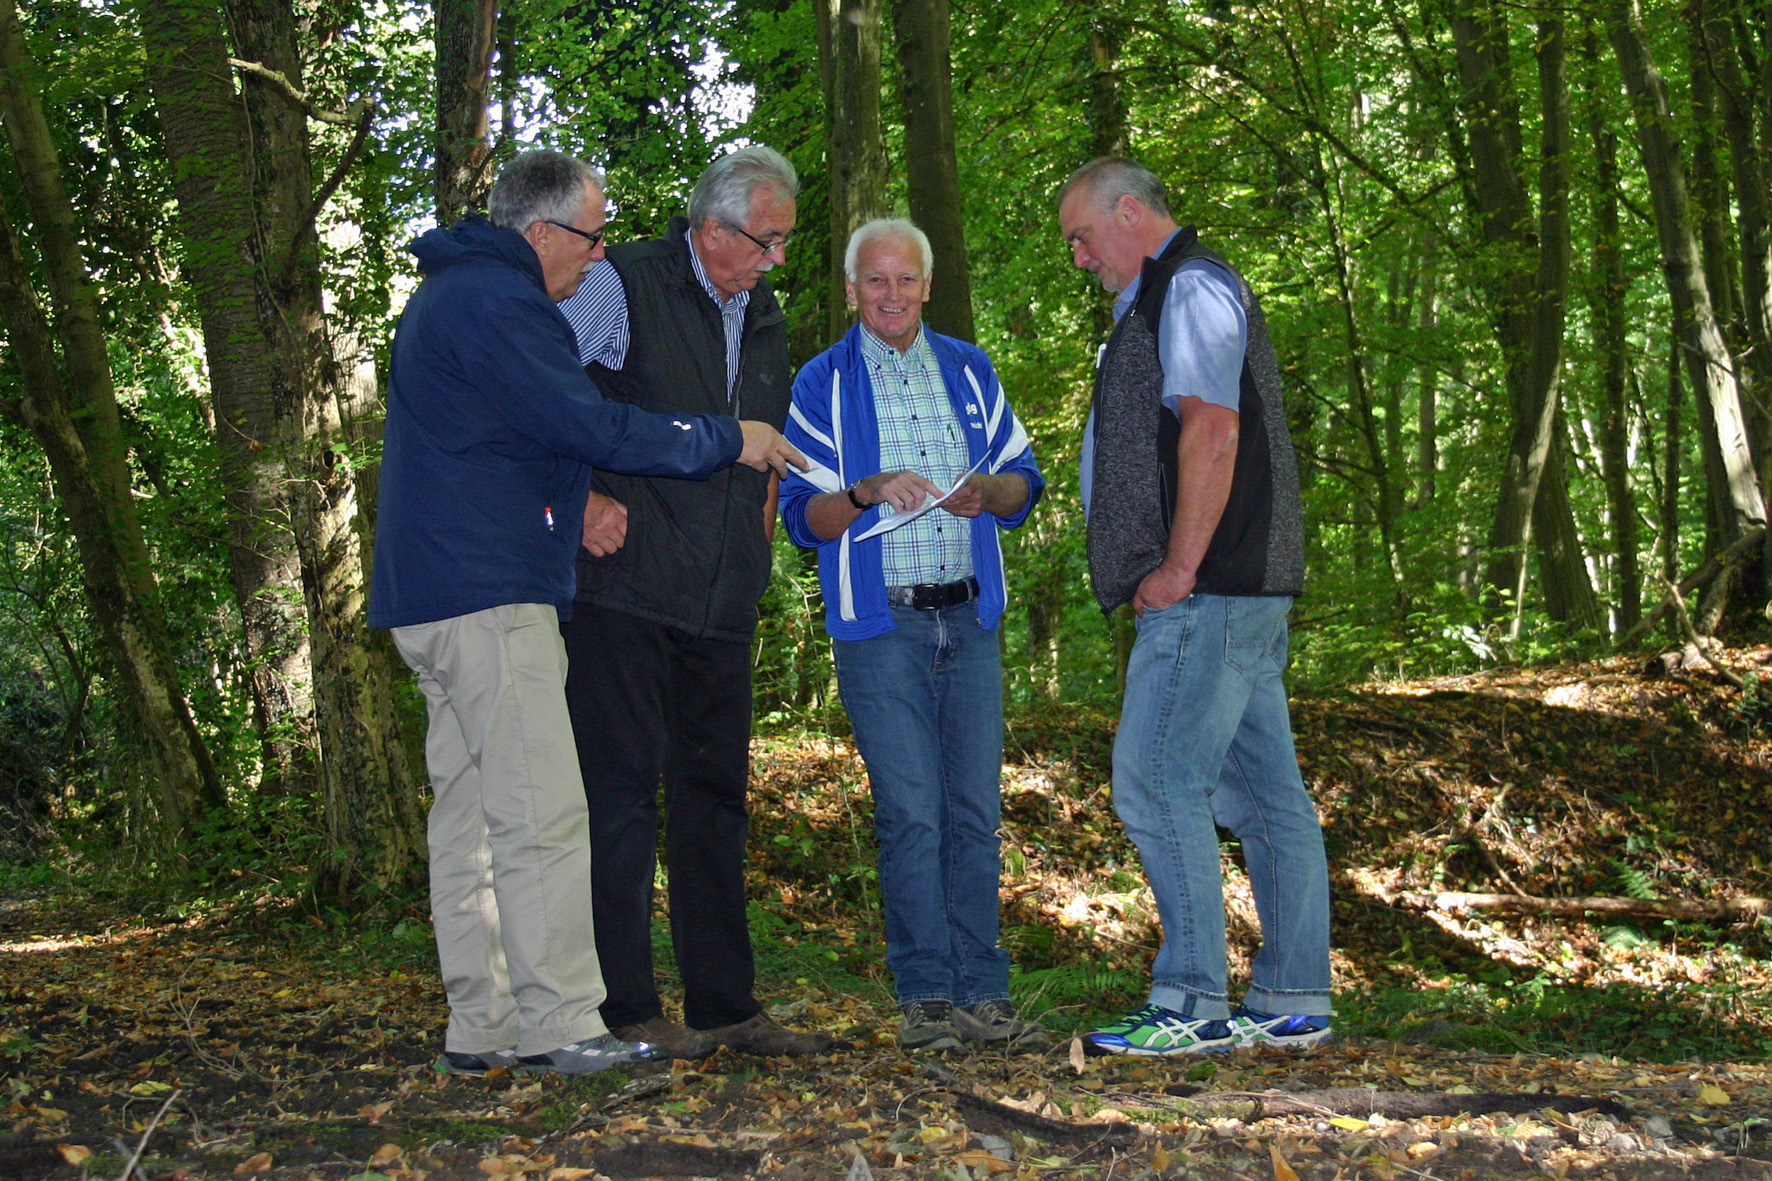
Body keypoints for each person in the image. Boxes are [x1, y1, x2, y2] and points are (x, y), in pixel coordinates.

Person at [367, 150, 804, 1077]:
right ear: (541, 233)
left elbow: (522, 434)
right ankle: (566, 1022)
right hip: (489, 588)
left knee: (473, 818)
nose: (599, 256)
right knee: (542, 813)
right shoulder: (501, 303)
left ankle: (481, 1027)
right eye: (590, 236)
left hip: (434, 592)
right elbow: (591, 423)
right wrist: (729, 438)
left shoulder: (451, 296)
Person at [552, 146, 829, 1059]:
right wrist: (579, 498)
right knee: (621, 798)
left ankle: (726, 1006)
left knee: (715, 800)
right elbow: (548, 397)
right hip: (624, 588)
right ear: (712, 230)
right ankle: (624, 1010)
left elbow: (763, 446)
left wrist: (753, 551)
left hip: (720, 600)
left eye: (784, 242)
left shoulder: (767, 316)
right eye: (766, 241)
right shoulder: (618, 282)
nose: (776, 260)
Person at [1055, 157, 1332, 1056]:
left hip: (1211, 590)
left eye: (1084, 237)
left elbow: (1214, 427)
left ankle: (1188, 1003)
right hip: (1238, 590)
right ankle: (1294, 995)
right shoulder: (1163, 297)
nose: (1081, 257)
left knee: (1154, 777)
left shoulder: (1194, 287)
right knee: (1262, 794)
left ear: (1130, 213)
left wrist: (1177, 566)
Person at [779, 219, 1046, 1052]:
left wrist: (988, 492)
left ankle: (984, 991)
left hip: (967, 614)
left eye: (905, 281)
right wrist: (863, 491)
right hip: (882, 624)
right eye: (875, 282)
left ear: (927, 286)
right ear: (853, 289)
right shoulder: (821, 383)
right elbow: (801, 518)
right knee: (911, 814)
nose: (891, 296)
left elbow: (1024, 484)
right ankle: (926, 992)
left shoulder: (970, 371)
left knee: (973, 811)